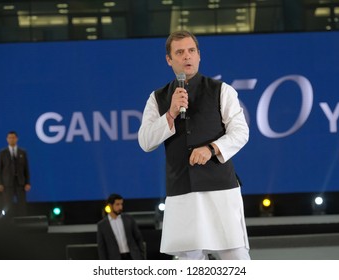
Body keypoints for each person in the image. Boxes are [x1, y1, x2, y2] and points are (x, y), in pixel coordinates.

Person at [138, 30, 250, 260]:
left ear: (199, 55)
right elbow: (146, 141)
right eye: (179, 52)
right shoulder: (158, 98)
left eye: (191, 51)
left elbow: (241, 132)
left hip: (220, 188)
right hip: (181, 192)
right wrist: (169, 113)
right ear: (169, 60)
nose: (187, 57)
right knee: (188, 262)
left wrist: (211, 149)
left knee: (235, 258)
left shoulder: (222, 90)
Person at [97, 193, 145, 260]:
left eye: (121, 204)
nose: (120, 207)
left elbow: (138, 238)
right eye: (117, 204)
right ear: (110, 206)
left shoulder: (129, 219)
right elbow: (102, 248)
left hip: (133, 257)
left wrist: (142, 256)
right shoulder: (102, 225)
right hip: (115, 259)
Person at [0, 131, 31, 218]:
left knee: (22, 204)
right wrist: (0, 183)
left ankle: (23, 223)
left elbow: (26, 169)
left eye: (13, 137)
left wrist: (28, 182)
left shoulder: (22, 152)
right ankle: (7, 223)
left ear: (17, 139)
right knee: (7, 204)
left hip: (20, 183)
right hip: (7, 183)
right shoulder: (2, 153)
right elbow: (0, 169)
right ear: (7, 139)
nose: (11, 139)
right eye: (9, 138)